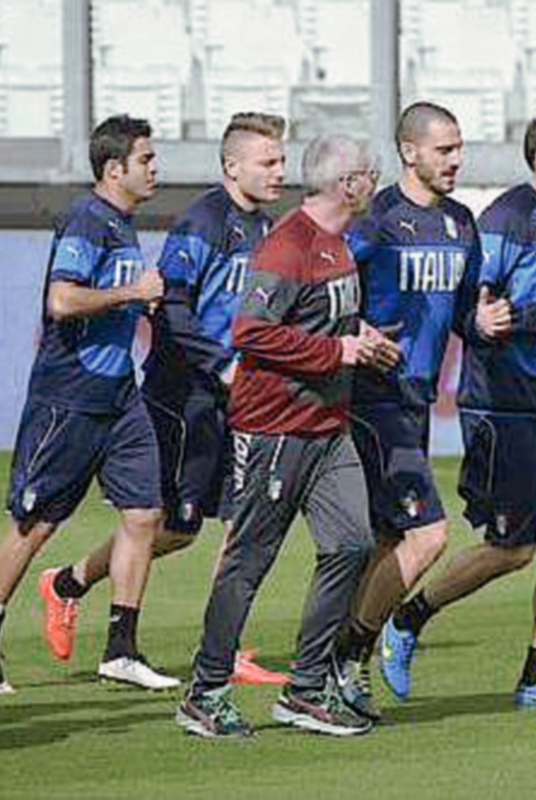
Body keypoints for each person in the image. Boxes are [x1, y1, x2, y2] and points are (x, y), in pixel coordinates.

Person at [38, 112, 289, 686]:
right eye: (268, 161)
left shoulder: (264, 228)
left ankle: (225, 649)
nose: (280, 171)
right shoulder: (203, 222)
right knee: (173, 529)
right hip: (184, 395)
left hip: (237, 397)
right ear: (233, 167)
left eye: (281, 160)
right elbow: (168, 306)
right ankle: (68, 582)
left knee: (240, 521)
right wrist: (219, 365)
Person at [381, 106, 536, 710]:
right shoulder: (508, 218)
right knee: (512, 549)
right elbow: (480, 318)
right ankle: (407, 618)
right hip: (507, 406)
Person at [176, 134, 401, 739]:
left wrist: (365, 339)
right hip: (276, 427)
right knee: (249, 561)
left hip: (328, 428)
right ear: (347, 184)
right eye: (370, 174)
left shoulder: (339, 247)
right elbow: (251, 332)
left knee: (352, 545)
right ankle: (205, 692)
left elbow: (328, 320)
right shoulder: (289, 246)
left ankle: (305, 689)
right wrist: (338, 349)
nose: (376, 182)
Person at [0, 114, 176, 695]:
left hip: (118, 394)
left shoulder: (122, 225)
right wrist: (133, 293)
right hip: (70, 396)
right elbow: (61, 299)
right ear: (114, 169)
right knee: (37, 524)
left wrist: (137, 305)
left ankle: (121, 648)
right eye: (146, 160)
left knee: (144, 515)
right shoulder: (87, 219)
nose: (156, 169)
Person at [329, 102, 510, 719]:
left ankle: (332, 667)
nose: (456, 159)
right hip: (371, 397)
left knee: (384, 542)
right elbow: (322, 291)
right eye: (444, 149)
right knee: (426, 534)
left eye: (459, 148)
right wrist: (355, 330)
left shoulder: (461, 223)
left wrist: (479, 322)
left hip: (417, 398)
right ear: (410, 152)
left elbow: (464, 310)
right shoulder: (374, 218)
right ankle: (347, 656)